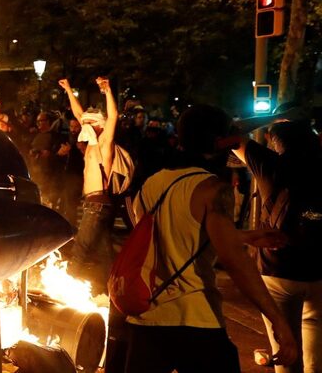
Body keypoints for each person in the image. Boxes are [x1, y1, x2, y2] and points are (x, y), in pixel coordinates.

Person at [111, 104, 299, 372]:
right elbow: (233, 260)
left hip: (146, 319)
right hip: (196, 319)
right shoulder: (212, 189)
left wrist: (244, 235)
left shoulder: (151, 184)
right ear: (219, 142)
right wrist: (278, 321)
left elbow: (175, 231)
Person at [230, 114, 322, 373]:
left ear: (278, 142)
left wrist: (274, 116)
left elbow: (231, 133)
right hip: (319, 272)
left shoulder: (271, 164)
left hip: (278, 269)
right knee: (316, 357)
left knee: (286, 351)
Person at [59, 77, 128, 290]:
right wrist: (69, 89)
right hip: (96, 204)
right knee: (103, 251)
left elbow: (113, 116)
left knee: (81, 248)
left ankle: (65, 287)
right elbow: (78, 114)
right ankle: (113, 289)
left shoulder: (105, 145)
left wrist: (107, 91)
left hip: (98, 205)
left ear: (100, 125)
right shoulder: (92, 143)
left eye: (90, 122)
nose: (84, 124)